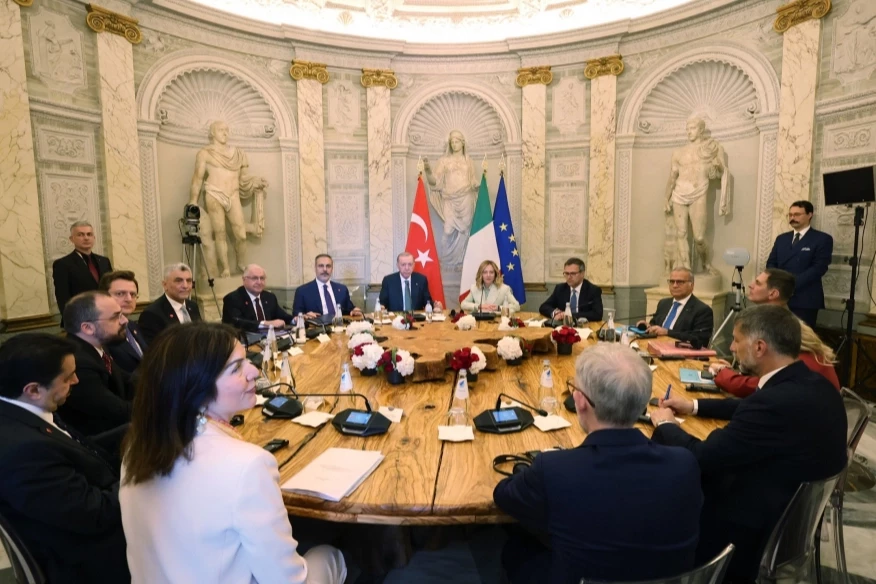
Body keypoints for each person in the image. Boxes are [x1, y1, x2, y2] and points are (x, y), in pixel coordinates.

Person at [120, 323, 347, 583]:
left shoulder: (137, 446)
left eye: (246, 360)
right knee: (333, 554)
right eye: (236, 368)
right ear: (197, 388)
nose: (254, 371)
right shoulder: (248, 464)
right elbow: (287, 580)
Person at [650, 305, 847, 582]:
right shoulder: (811, 383)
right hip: (794, 518)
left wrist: (665, 424)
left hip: (752, 530)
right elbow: (750, 405)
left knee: (670, 489)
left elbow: (703, 456)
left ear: (759, 347)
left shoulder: (772, 404)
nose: (731, 348)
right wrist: (693, 405)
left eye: (736, 340)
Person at [494, 344, 702, 583]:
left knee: (515, 547)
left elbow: (503, 496)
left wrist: (534, 470)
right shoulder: (685, 463)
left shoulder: (554, 469)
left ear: (580, 401)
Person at [0, 334, 129, 584]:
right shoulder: (23, 451)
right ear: (33, 389)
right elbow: (96, 514)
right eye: (67, 377)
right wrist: (142, 477)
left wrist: (136, 431)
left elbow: (82, 448)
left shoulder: (23, 410)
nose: (76, 380)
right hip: (91, 562)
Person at [709, 268, 840, 395]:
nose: (750, 285)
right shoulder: (781, 321)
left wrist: (724, 375)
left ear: (773, 294)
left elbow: (768, 384)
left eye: (758, 283)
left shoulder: (782, 327)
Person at [189, 120, 268, 278]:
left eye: (226, 130)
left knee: (241, 234)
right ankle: (225, 268)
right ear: (213, 133)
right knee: (220, 233)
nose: (225, 133)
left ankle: (241, 264)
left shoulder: (238, 154)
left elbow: (243, 179)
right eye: (220, 130)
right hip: (214, 194)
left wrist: (255, 182)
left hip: (233, 194)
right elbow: (197, 178)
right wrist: (193, 201)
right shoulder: (205, 153)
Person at [58, 291, 133, 437]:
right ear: (88, 328)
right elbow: (119, 412)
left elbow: (128, 381)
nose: (124, 320)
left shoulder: (98, 346)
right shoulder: (77, 362)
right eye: (116, 317)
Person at [663, 117, 728, 274]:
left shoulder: (711, 148)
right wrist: (666, 197)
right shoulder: (678, 153)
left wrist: (718, 166)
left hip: (698, 193)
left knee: (699, 237)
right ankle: (686, 270)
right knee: (681, 234)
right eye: (687, 128)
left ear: (701, 130)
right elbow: (672, 177)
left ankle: (706, 264)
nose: (689, 131)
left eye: (692, 128)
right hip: (679, 194)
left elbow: (720, 172)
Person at [766, 200, 833, 327]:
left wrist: (790, 284)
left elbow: (819, 268)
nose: (792, 218)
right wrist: (778, 284)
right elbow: (771, 263)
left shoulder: (822, 239)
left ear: (809, 215)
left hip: (805, 298)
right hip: (779, 296)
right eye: (790, 215)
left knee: (802, 336)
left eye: (797, 214)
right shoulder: (782, 239)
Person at [423, 130, 480, 265]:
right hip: (449, 198)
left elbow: (473, 181)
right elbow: (434, 181)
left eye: (457, 141)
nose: (454, 144)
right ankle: (446, 260)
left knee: (465, 229)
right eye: (452, 142)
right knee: (447, 230)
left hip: (466, 197)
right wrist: (427, 170)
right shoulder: (443, 161)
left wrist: (480, 185)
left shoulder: (468, 161)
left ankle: (463, 262)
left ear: (462, 143)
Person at [638, 267, 713, 348]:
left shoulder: (702, 310)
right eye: (672, 281)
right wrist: (648, 326)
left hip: (681, 352)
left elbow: (699, 340)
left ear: (691, 285)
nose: (674, 285)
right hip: (655, 347)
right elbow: (655, 324)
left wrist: (667, 332)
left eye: (680, 282)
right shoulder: (663, 303)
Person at [52, 221, 113, 317]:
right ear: (72, 239)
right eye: (80, 235)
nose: (86, 238)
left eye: (89, 234)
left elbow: (111, 289)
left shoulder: (104, 261)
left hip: (106, 314)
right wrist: (70, 320)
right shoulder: (62, 264)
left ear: (94, 238)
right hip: (81, 316)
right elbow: (63, 297)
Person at [138, 263, 202, 345]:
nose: (185, 286)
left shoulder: (193, 306)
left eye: (189, 281)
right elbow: (155, 349)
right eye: (179, 281)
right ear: (165, 285)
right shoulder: (151, 314)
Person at [100, 271, 147, 376]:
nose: (129, 299)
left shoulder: (133, 326)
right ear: (103, 296)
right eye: (120, 294)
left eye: (133, 294)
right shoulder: (102, 332)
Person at [223, 264, 295, 331]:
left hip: (270, 337)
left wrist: (295, 320)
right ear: (244, 280)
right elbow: (238, 322)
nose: (259, 282)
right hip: (246, 337)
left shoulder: (269, 297)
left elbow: (282, 315)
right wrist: (265, 324)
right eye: (254, 278)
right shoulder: (233, 299)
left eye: (262, 278)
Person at [292, 254, 362, 319]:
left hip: (340, 326)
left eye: (328, 266)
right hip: (316, 327)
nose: (325, 269)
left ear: (332, 269)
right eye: (321, 266)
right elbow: (296, 316)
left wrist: (355, 311)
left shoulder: (342, 289)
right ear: (315, 268)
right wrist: (304, 316)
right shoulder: (302, 291)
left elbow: (349, 309)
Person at [538, 258, 603, 322]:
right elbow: (544, 307)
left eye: (573, 273)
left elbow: (597, 314)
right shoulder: (560, 288)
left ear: (582, 274)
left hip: (584, 325)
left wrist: (569, 315)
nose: (569, 277)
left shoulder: (593, 290)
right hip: (563, 325)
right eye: (566, 273)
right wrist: (556, 313)